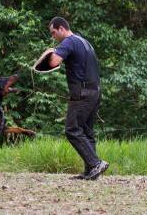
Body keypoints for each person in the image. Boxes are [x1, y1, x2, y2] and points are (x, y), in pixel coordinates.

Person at [47, 16, 109, 180]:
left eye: (53, 33)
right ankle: (91, 171)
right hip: (95, 92)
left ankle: (96, 163)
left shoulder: (68, 41)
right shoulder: (85, 42)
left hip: (82, 94)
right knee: (87, 132)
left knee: (72, 130)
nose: (53, 37)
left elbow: (53, 62)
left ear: (61, 28)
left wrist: (48, 53)